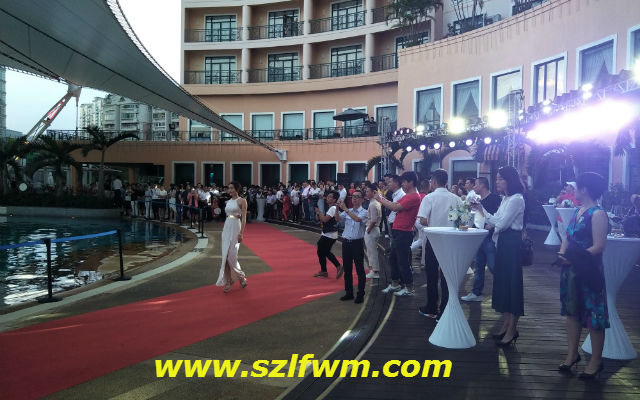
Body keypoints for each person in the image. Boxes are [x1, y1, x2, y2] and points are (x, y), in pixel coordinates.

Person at [556, 172, 608, 379]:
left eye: (577, 187)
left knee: (594, 315)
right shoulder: (579, 210)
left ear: (585, 189)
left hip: (588, 272)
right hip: (571, 271)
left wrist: (573, 258)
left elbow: (599, 246)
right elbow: (567, 237)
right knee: (571, 312)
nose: (574, 190)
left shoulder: (598, 213)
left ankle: (596, 361)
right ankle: (572, 354)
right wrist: (562, 253)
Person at [471, 166, 525, 346]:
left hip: (511, 243)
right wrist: (482, 210)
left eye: (501, 178)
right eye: (497, 178)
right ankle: (506, 325)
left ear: (510, 180)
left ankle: (512, 329)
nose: (498, 181)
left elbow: (500, 223)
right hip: (503, 242)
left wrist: (486, 214)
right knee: (504, 283)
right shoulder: (506, 199)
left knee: (512, 284)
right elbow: (495, 220)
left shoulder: (516, 199)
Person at [417, 169, 462, 319]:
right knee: (447, 275)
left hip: (434, 239)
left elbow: (422, 220)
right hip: (450, 240)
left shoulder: (429, 198)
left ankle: (431, 307)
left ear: (434, 182)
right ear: (446, 182)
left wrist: (434, 224)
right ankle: (445, 309)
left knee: (431, 274)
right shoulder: (456, 199)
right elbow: (462, 220)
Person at [376, 172, 422, 297]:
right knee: (393, 258)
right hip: (399, 230)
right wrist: (382, 198)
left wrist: (380, 198)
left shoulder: (414, 197)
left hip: (404, 232)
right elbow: (395, 205)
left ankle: (409, 287)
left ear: (411, 182)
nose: (402, 184)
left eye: (404, 182)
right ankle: (395, 283)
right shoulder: (408, 196)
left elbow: (395, 207)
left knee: (403, 261)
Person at [462, 177, 502, 302]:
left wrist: (492, 226)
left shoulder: (495, 198)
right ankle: (476, 292)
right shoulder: (477, 200)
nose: (474, 187)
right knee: (478, 266)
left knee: (493, 266)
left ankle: (503, 291)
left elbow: (500, 217)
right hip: (479, 236)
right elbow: (475, 217)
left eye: (476, 184)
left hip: (490, 238)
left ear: (483, 185)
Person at [335, 189, 368, 303]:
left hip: (357, 243)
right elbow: (338, 218)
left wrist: (345, 209)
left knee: (360, 270)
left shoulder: (364, 212)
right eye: (353, 196)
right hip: (346, 243)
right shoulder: (348, 211)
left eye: (357, 197)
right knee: (347, 269)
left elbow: (357, 219)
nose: (354, 199)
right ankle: (349, 293)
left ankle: (360, 294)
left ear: (362, 199)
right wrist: (337, 208)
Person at [216, 181, 248, 293]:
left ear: (237, 189)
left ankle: (241, 277)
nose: (229, 190)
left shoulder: (242, 201)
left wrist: (241, 233)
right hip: (226, 228)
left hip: (236, 228)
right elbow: (227, 216)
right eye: (229, 188)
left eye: (232, 188)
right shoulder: (228, 201)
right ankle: (228, 282)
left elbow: (244, 218)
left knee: (232, 257)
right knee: (225, 257)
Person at [314, 191, 343, 278]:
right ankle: (324, 270)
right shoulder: (330, 208)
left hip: (329, 234)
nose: (327, 198)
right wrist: (318, 213)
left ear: (334, 199)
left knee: (323, 251)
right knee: (322, 251)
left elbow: (325, 219)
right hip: (328, 233)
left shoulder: (333, 208)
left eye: (330, 197)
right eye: (328, 196)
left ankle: (337, 266)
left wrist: (319, 212)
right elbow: (320, 219)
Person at [364, 183, 382, 279]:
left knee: (372, 252)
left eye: (368, 191)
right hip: (373, 229)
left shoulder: (373, 204)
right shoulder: (375, 203)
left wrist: (368, 230)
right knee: (371, 251)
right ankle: (373, 270)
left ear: (373, 192)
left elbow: (373, 220)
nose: (366, 193)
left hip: (372, 229)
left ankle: (375, 271)